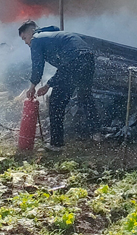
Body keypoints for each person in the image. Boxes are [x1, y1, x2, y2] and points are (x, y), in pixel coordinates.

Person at [19, 21, 97, 151]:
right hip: (88, 57)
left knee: (56, 102)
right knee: (85, 97)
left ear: (31, 32)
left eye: (25, 38)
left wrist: (35, 86)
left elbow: (38, 66)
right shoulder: (52, 33)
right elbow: (65, 68)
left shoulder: (36, 39)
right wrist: (50, 83)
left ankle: (56, 144)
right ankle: (97, 134)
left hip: (74, 60)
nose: (26, 42)